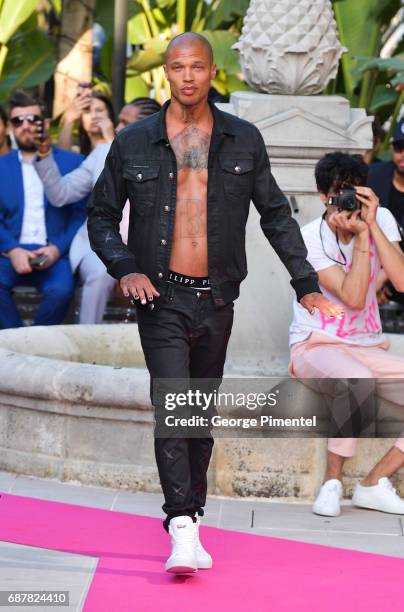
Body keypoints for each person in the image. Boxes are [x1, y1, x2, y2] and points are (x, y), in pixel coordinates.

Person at [87, 32, 341, 574]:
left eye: (196, 66)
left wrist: (307, 284)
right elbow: (101, 216)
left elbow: (275, 214)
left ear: (210, 72)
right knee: (172, 406)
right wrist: (126, 268)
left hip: (218, 297)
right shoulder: (134, 142)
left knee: (197, 414)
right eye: (176, 67)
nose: (186, 76)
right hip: (160, 296)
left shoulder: (243, 139)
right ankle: (179, 523)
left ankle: (192, 516)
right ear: (167, 74)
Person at [288, 152, 404, 518]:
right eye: (340, 194)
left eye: (355, 192)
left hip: (367, 344)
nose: (348, 203)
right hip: (315, 344)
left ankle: (373, 484)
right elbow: (352, 298)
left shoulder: (379, 218)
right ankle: (332, 483)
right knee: (357, 380)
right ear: (324, 196)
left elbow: (401, 281)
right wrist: (364, 239)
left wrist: (370, 227)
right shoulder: (307, 238)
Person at [33, 97, 161, 324]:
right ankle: (88, 335)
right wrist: (45, 156)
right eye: (118, 121)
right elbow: (61, 194)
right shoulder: (103, 152)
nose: (118, 126)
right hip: (99, 246)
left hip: (147, 246)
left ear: (145, 126)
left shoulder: (164, 158)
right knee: (101, 272)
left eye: (124, 122)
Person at [0, 91, 87, 329]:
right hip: (9, 253)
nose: (25, 126)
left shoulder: (73, 163)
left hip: (53, 251)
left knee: (61, 291)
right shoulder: (1, 167)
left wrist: (57, 249)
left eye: (33, 119)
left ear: (46, 124)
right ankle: (17, 343)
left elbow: (81, 214)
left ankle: (36, 344)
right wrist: (11, 249)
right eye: (18, 121)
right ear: (10, 127)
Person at [368, 119, 404, 306]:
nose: (403, 154)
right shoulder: (373, 175)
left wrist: (385, 276)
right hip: (370, 277)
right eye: (399, 147)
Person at [58, 87, 115, 155]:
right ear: (81, 118)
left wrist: (110, 139)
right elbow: (63, 158)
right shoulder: (78, 152)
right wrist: (69, 119)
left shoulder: (123, 145)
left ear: (109, 114)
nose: (94, 116)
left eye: (99, 110)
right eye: (87, 111)